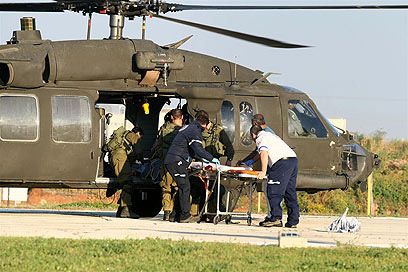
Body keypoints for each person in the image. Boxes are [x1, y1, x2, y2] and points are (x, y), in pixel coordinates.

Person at [164, 110, 220, 223]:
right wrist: (211, 159)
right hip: (177, 161)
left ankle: (175, 215)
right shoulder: (195, 130)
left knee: (182, 186)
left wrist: (201, 158)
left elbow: (191, 149)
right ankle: (185, 216)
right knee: (185, 187)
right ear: (204, 123)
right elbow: (198, 149)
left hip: (174, 160)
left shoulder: (188, 127)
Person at [249, 124, 300, 228]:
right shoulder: (270, 135)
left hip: (281, 163)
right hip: (292, 160)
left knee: (273, 190)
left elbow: (263, 153)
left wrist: (263, 172)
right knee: (289, 191)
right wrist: (249, 162)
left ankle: (275, 218)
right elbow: (259, 154)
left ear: (253, 135)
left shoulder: (260, 138)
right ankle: (293, 220)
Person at [151, 109, 184, 221]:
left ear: (171, 117)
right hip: (178, 163)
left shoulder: (164, 129)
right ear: (182, 117)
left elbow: (156, 146)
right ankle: (175, 211)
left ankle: (166, 212)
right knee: (177, 187)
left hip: (165, 162)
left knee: (166, 187)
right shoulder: (183, 131)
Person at [105, 126, 144, 218]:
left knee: (124, 181)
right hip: (120, 157)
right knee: (127, 182)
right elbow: (139, 150)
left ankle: (121, 209)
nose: (140, 139)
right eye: (141, 137)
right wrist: (142, 159)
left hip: (116, 157)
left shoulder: (124, 136)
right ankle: (126, 209)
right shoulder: (133, 135)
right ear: (138, 133)